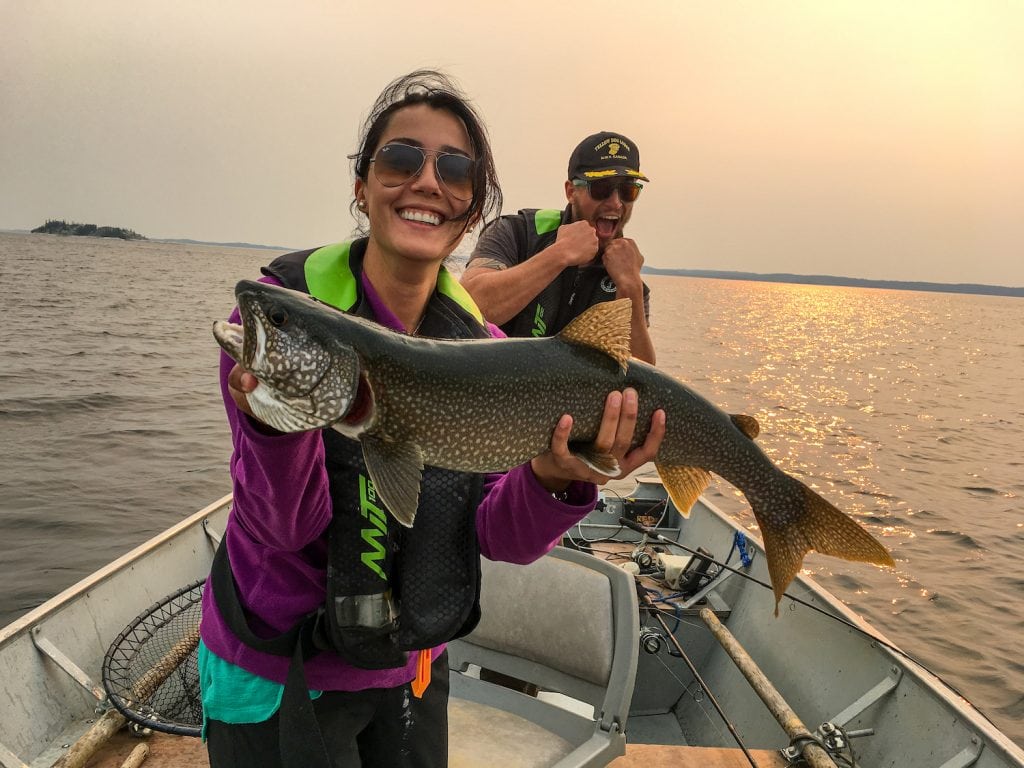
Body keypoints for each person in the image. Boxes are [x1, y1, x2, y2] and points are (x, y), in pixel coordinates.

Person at [198, 70, 665, 768]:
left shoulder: (488, 353)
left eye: (454, 168)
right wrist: (275, 423)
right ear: (361, 185)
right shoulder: (280, 320)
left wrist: (557, 481)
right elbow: (287, 527)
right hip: (279, 675)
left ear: (472, 208)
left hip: (412, 666)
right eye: (399, 158)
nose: (426, 181)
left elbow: (495, 535)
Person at [460, 130, 656, 364]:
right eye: (601, 188)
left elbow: (642, 383)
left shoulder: (627, 274)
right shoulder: (517, 231)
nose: (615, 202)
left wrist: (630, 285)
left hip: (563, 399)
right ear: (571, 191)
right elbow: (467, 308)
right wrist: (559, 254)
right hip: (491, 387)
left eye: (627, 191)